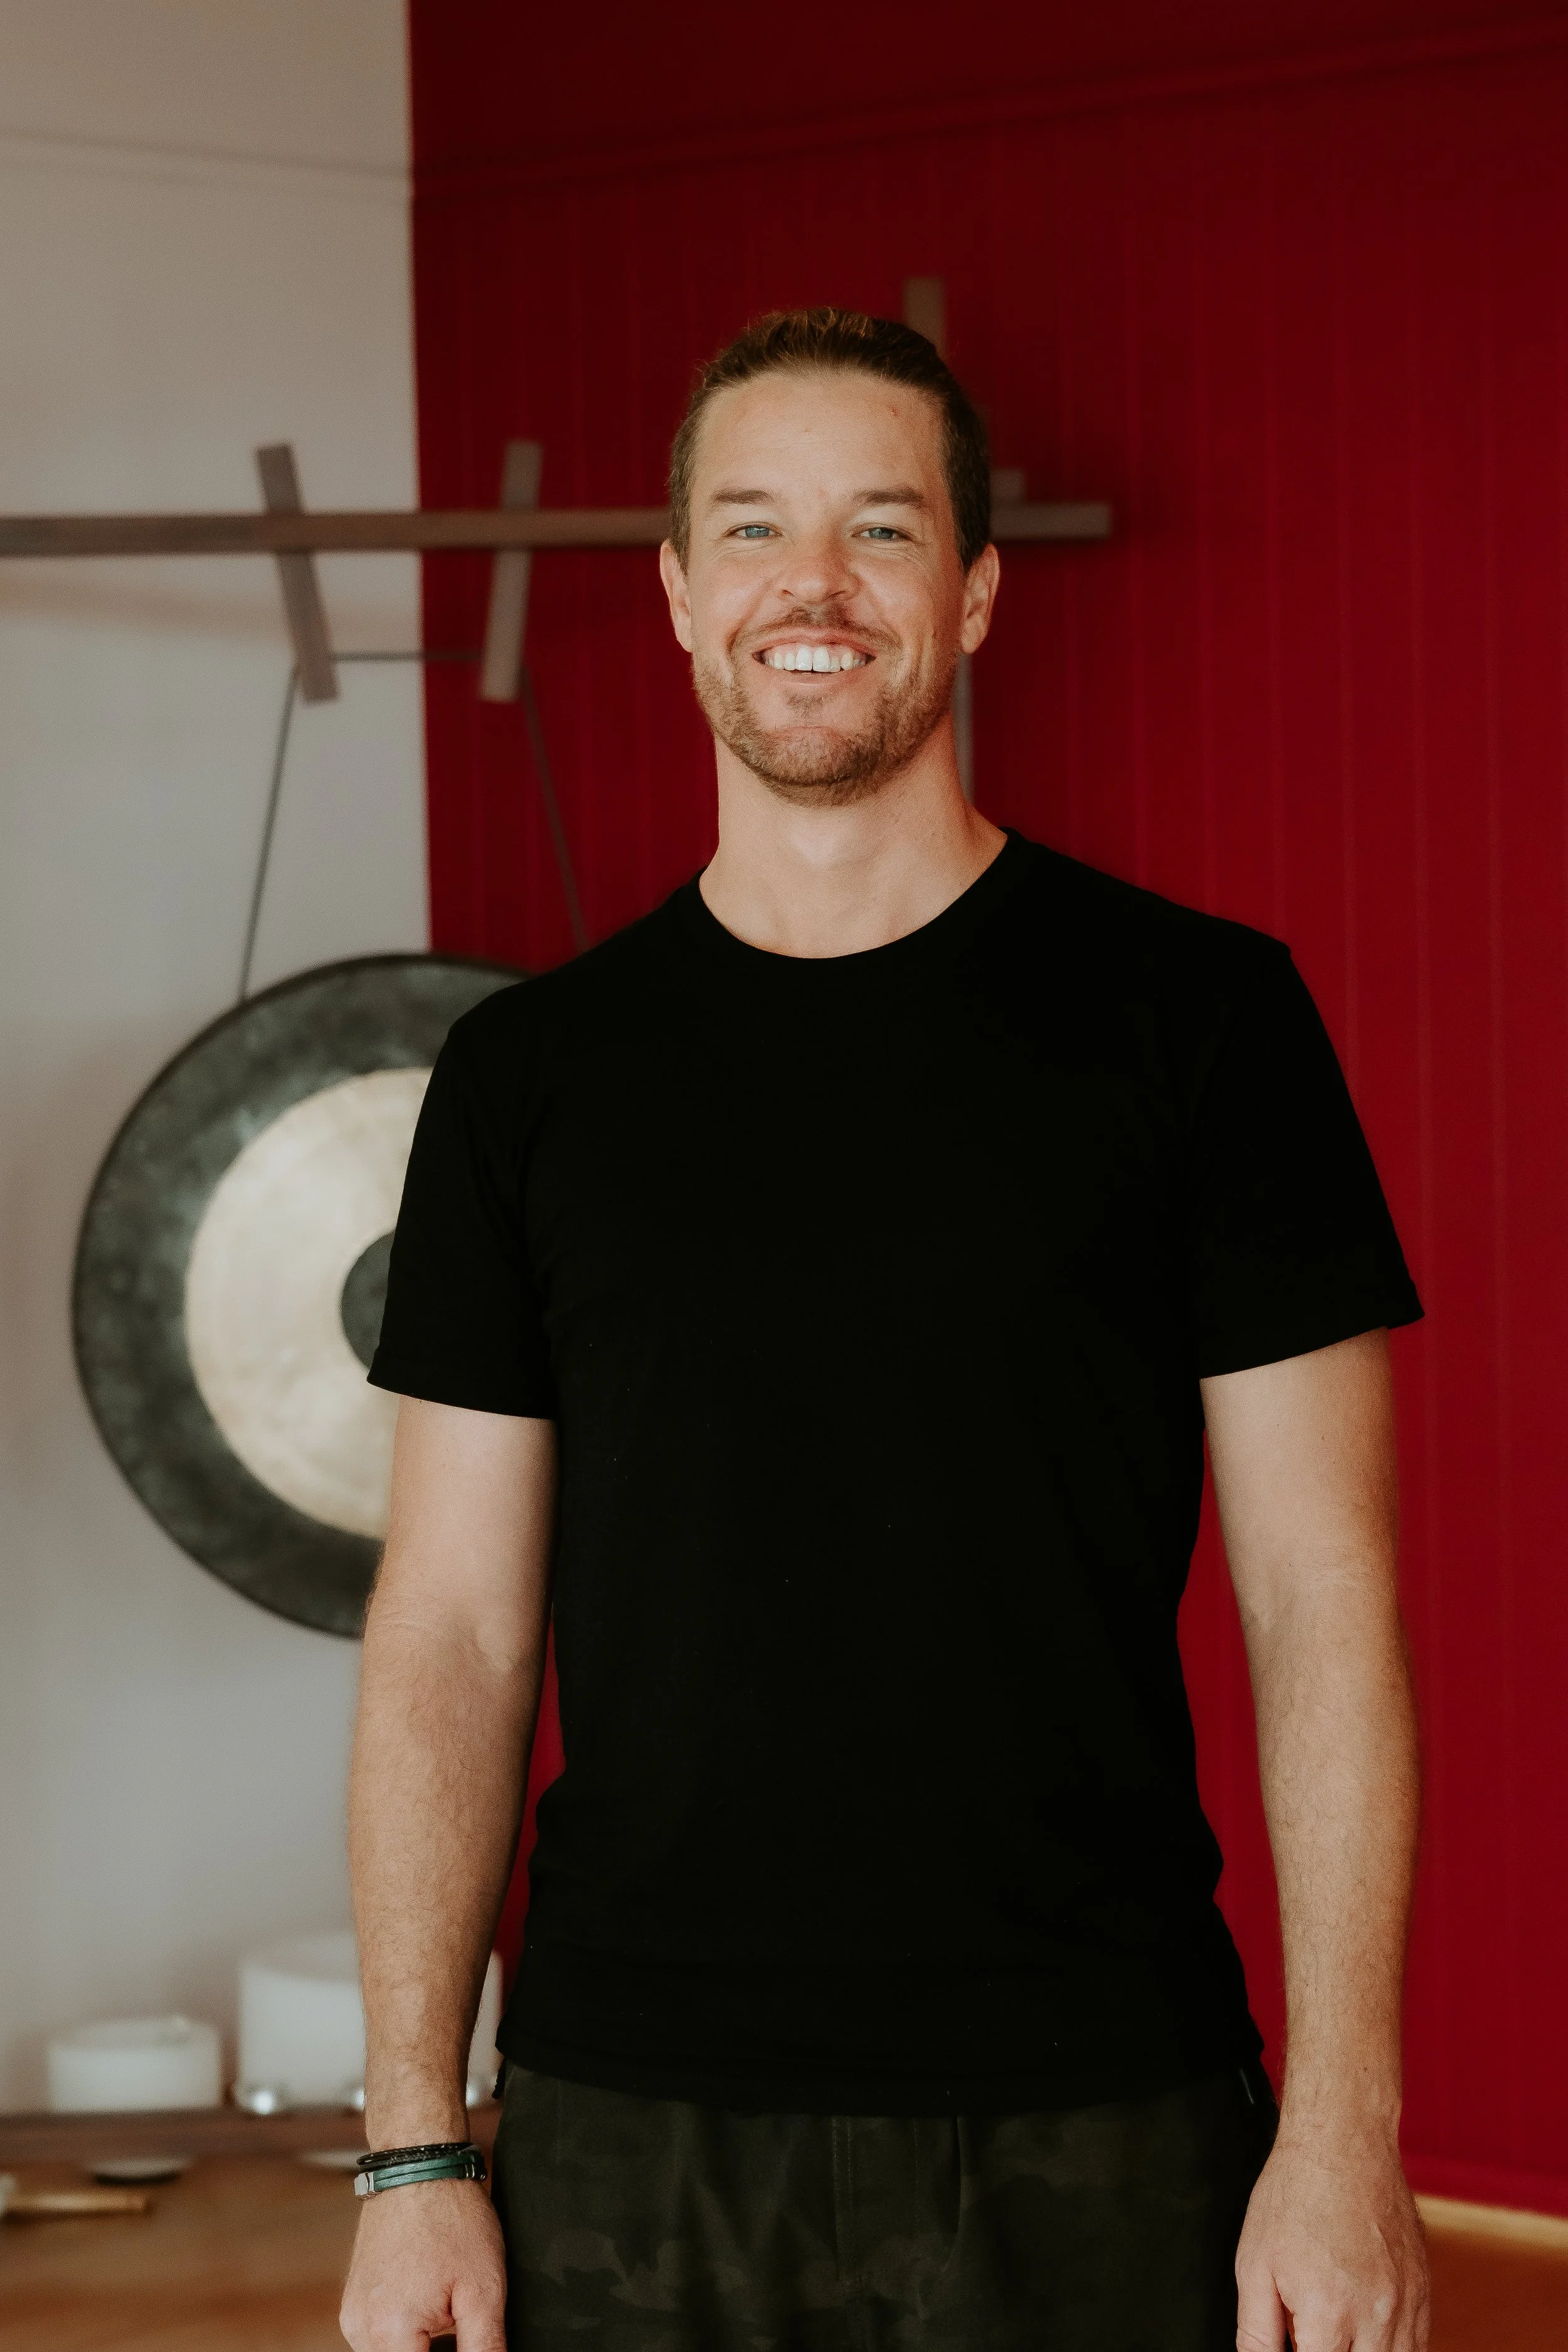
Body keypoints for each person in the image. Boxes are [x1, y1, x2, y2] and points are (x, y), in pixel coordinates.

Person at [340, 309, 1429, 2352]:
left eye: (880, 529)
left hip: (1096, 2092)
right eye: (750, 528)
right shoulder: (525, 1078)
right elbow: (453, 1632)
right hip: (625, 2108)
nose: (808, 590)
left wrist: (1347, 2124)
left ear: (975, 588)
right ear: (677, 592)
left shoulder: (1204, 1023)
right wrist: (415, 2152)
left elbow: (1322, 1593)